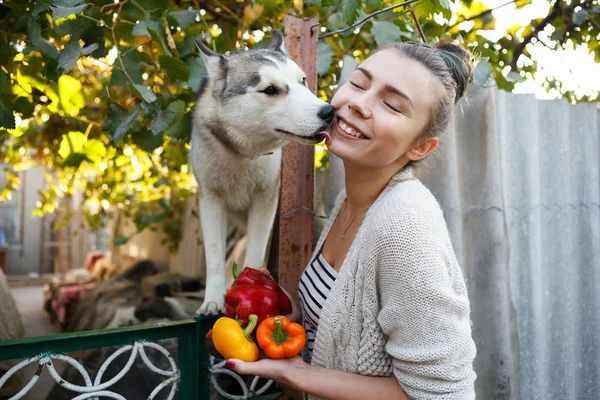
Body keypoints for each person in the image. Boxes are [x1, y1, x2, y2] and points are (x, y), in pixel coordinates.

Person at [224, 41, 477, 400]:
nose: (357, 103)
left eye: (391, 104)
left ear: (420, 147)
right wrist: (273, 306)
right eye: (358, 83)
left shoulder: (404, 228)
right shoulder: (353, 199)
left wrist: (298, 376)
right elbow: (339, 325)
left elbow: (443, 395)